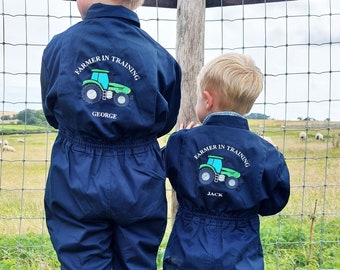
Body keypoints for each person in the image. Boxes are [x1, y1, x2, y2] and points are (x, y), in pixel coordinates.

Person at [40, 0, 181, 269]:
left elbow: (52, 110)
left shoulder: (60, 47)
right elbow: (166, 120)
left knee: (81, 256)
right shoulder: (159, 56)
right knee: (136, 257)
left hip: (76, 172)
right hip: (138, 173)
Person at [163, 52, 290, 269]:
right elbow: (274, 202)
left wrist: (180, 140)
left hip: (188, 247)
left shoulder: (183, 142)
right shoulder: (266, 152)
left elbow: (163, 167)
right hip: (240, 252)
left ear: (208, 100)